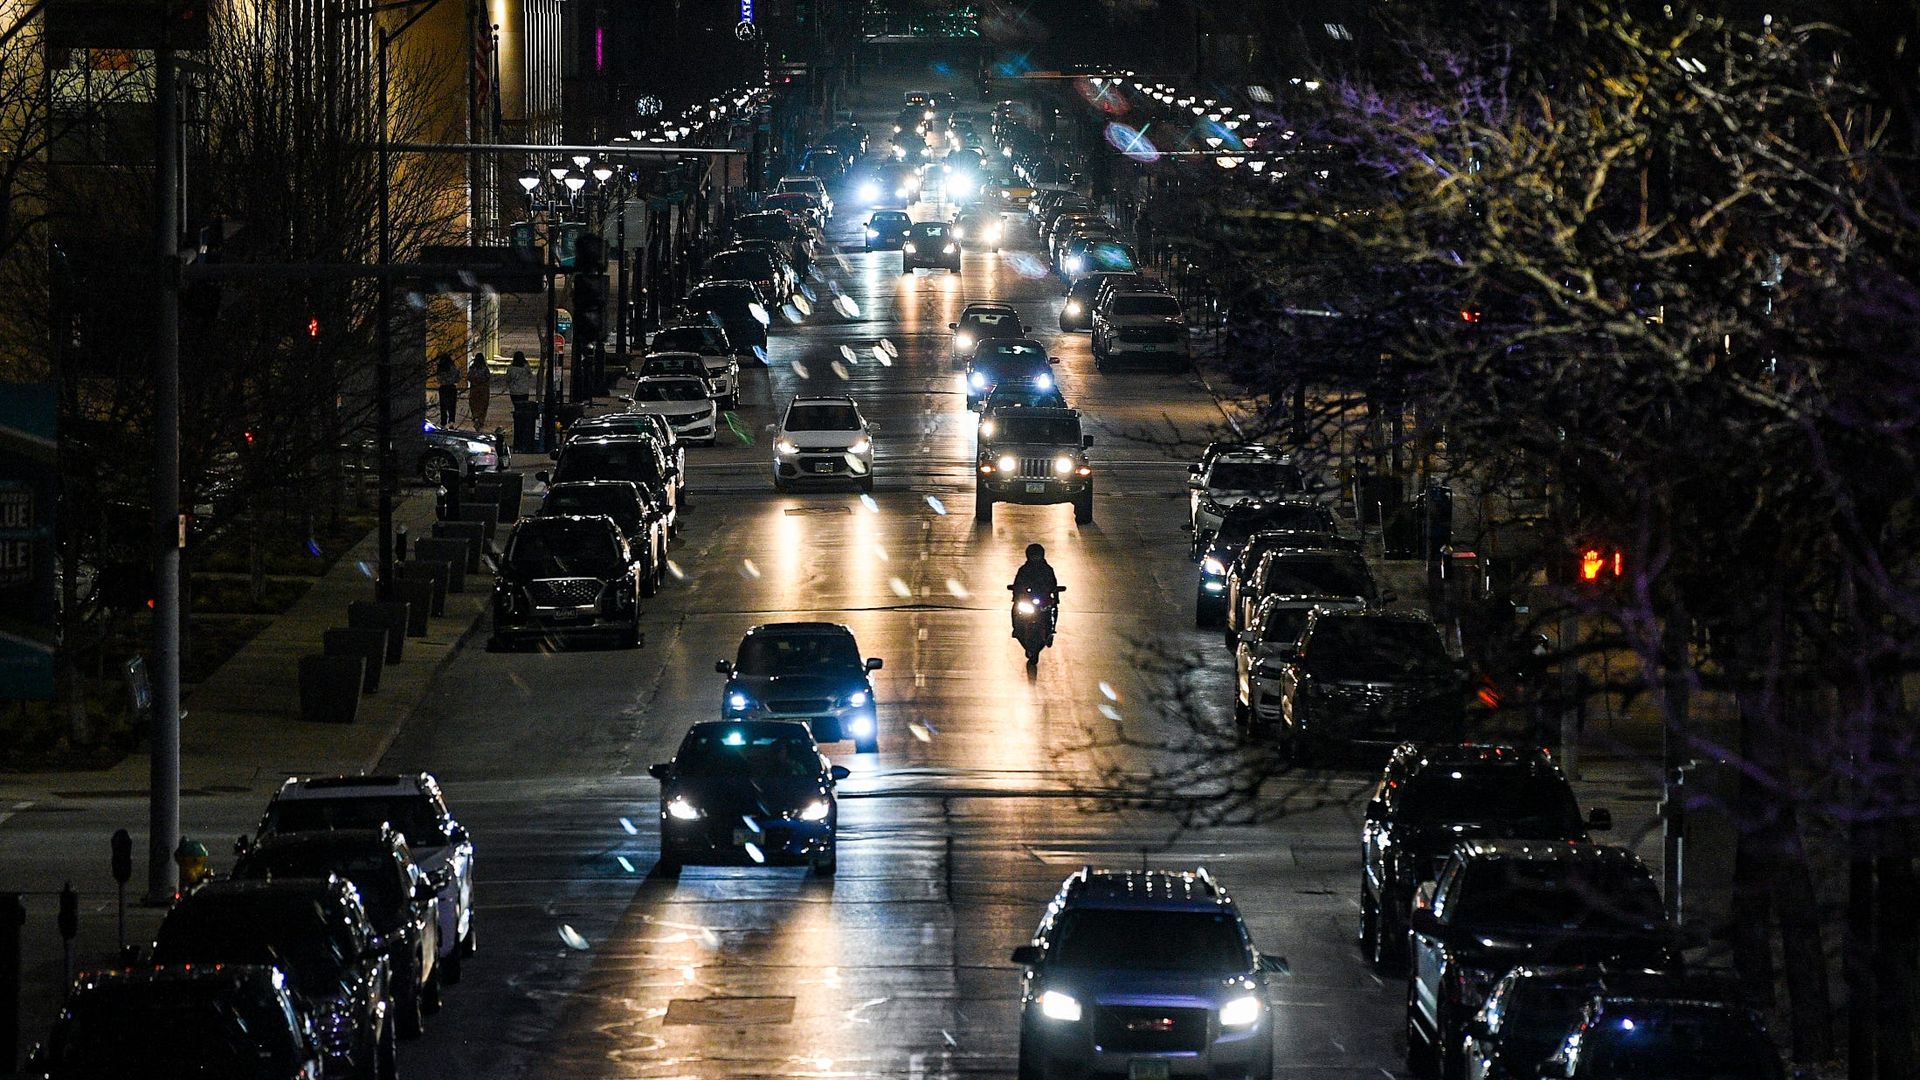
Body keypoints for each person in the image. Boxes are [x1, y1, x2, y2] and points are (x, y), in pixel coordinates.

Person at [1010, 542, 1060, 635]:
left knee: (1053, 608)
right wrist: (1016, 595)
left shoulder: (1047, 569)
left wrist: (1055, 596)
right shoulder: (1024, 570)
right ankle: (1016, 628)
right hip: (1028, 597)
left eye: (1037, 555)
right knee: (1016, 608)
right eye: (1033, 555)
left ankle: (1052, 627)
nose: (1035, 558)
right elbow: (1017, 583)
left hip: (1044, 598)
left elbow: (1053, 584)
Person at [505, 351, 536, 451]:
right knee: (523, 409)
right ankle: (521, 423)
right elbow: (530, 376)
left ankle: (517, 422)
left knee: (517, 408)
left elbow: (508, 379)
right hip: (524, 391)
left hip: (514, 392)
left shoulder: (511, 368)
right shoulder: (525, 367)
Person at [466, 352, 492, 429]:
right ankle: (481, 419)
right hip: (483, 388)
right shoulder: (485, 368)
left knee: (474, 403)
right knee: (483, 404)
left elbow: (469, 377)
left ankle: (475, 415)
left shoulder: (472, 368)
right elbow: (488, 377)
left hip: (474, 387)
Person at [433, 352, 460, 427]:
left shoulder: (440, 367)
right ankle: (451, 421)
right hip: (452, 387)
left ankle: (443, 422)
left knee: (443, 405)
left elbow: (438, 377)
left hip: (443, 387)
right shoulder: (453, 366)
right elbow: (457, 377)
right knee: (452, 405)